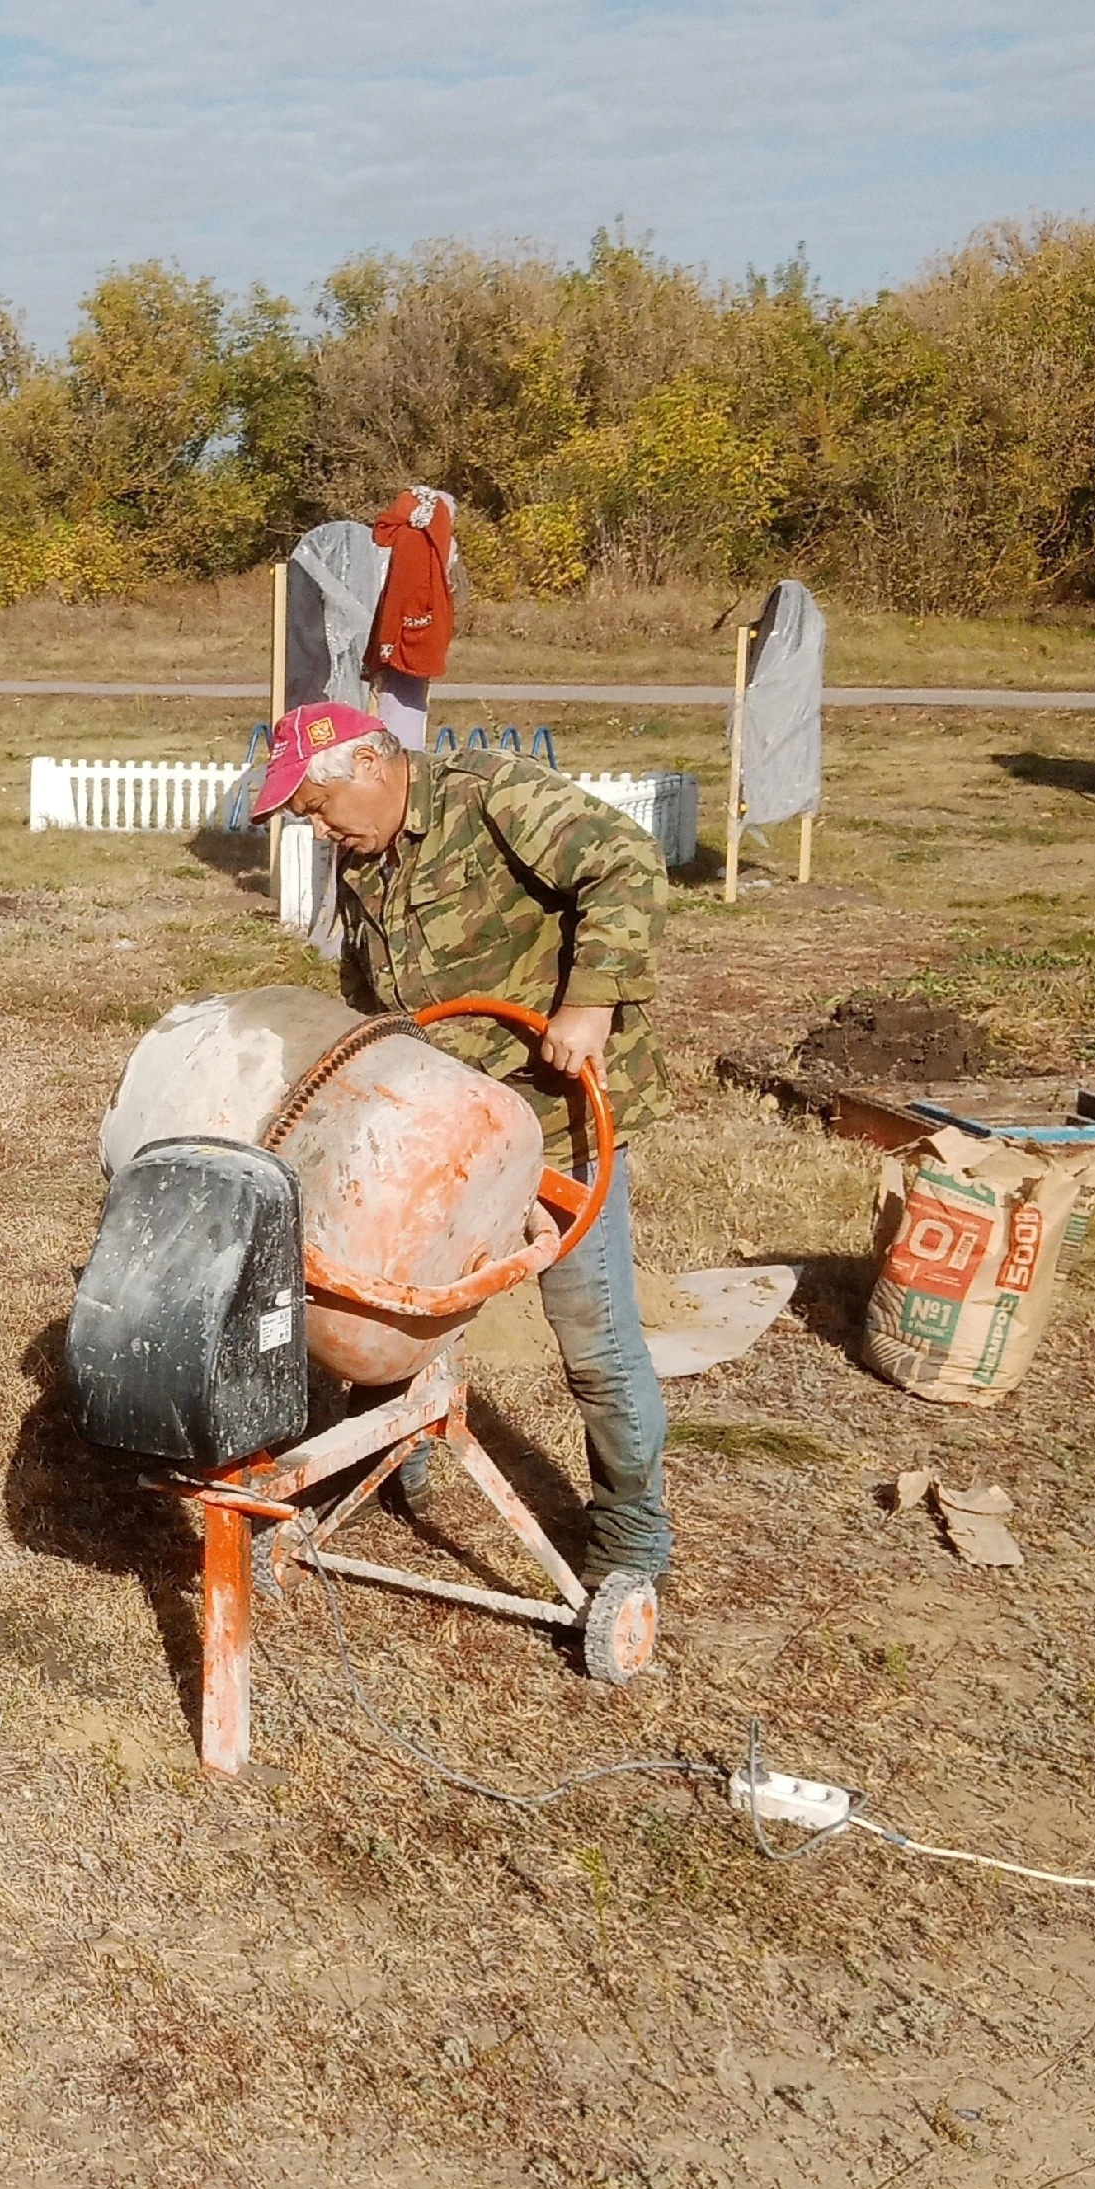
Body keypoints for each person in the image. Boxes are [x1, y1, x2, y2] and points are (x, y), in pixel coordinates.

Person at [250, 701, 672, 1585]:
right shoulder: (365, 853)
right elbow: (378, 998)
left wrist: (588, 1005)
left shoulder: (489, 796)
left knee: (594, 1342)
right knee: (395, 1303)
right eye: (305, 821)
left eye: (320, 808)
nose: (320, 832)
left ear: (371, 765)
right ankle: (392, 1458)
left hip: (558, 1121)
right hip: (446, 1131)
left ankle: (633, 1537)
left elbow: (627, 863)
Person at [364, 485, 459, 748]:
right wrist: (397, 640)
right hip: (406, 642)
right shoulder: (418, 543)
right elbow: (406, 598)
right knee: (399, 721)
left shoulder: (410, 539)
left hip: (400, 639)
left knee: (398, 712)